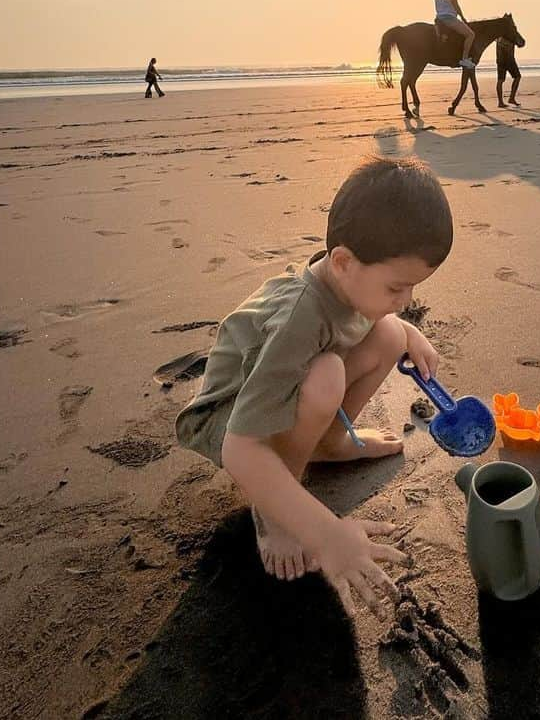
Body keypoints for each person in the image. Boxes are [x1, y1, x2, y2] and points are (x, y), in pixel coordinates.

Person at [175, 156, 451, 617]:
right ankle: (275, 511)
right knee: (326, 378)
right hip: (230, 420)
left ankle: (326, 443)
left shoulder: (347, 280)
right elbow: (242, 449)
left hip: (275, 394)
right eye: (397, 288)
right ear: (342, 261)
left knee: (389, 333)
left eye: (412, 290)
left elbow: (375, 317)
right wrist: (325, 534)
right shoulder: (299, 319)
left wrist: (410, 331)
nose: (405, 300)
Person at [434, 0, 476, 69]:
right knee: (471, 35)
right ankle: (464, 59)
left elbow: (437, 6)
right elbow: (456, 6)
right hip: (449, 18)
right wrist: (462, 17)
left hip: (439, 18)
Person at [495, 34, 521, 107]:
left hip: (500, 60)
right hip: (509, 60)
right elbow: (520, 43)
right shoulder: (509, 34)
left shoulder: (499, 36)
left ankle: (501, 102)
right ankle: (510, 98)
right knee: (517, 77)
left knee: (500, 80)